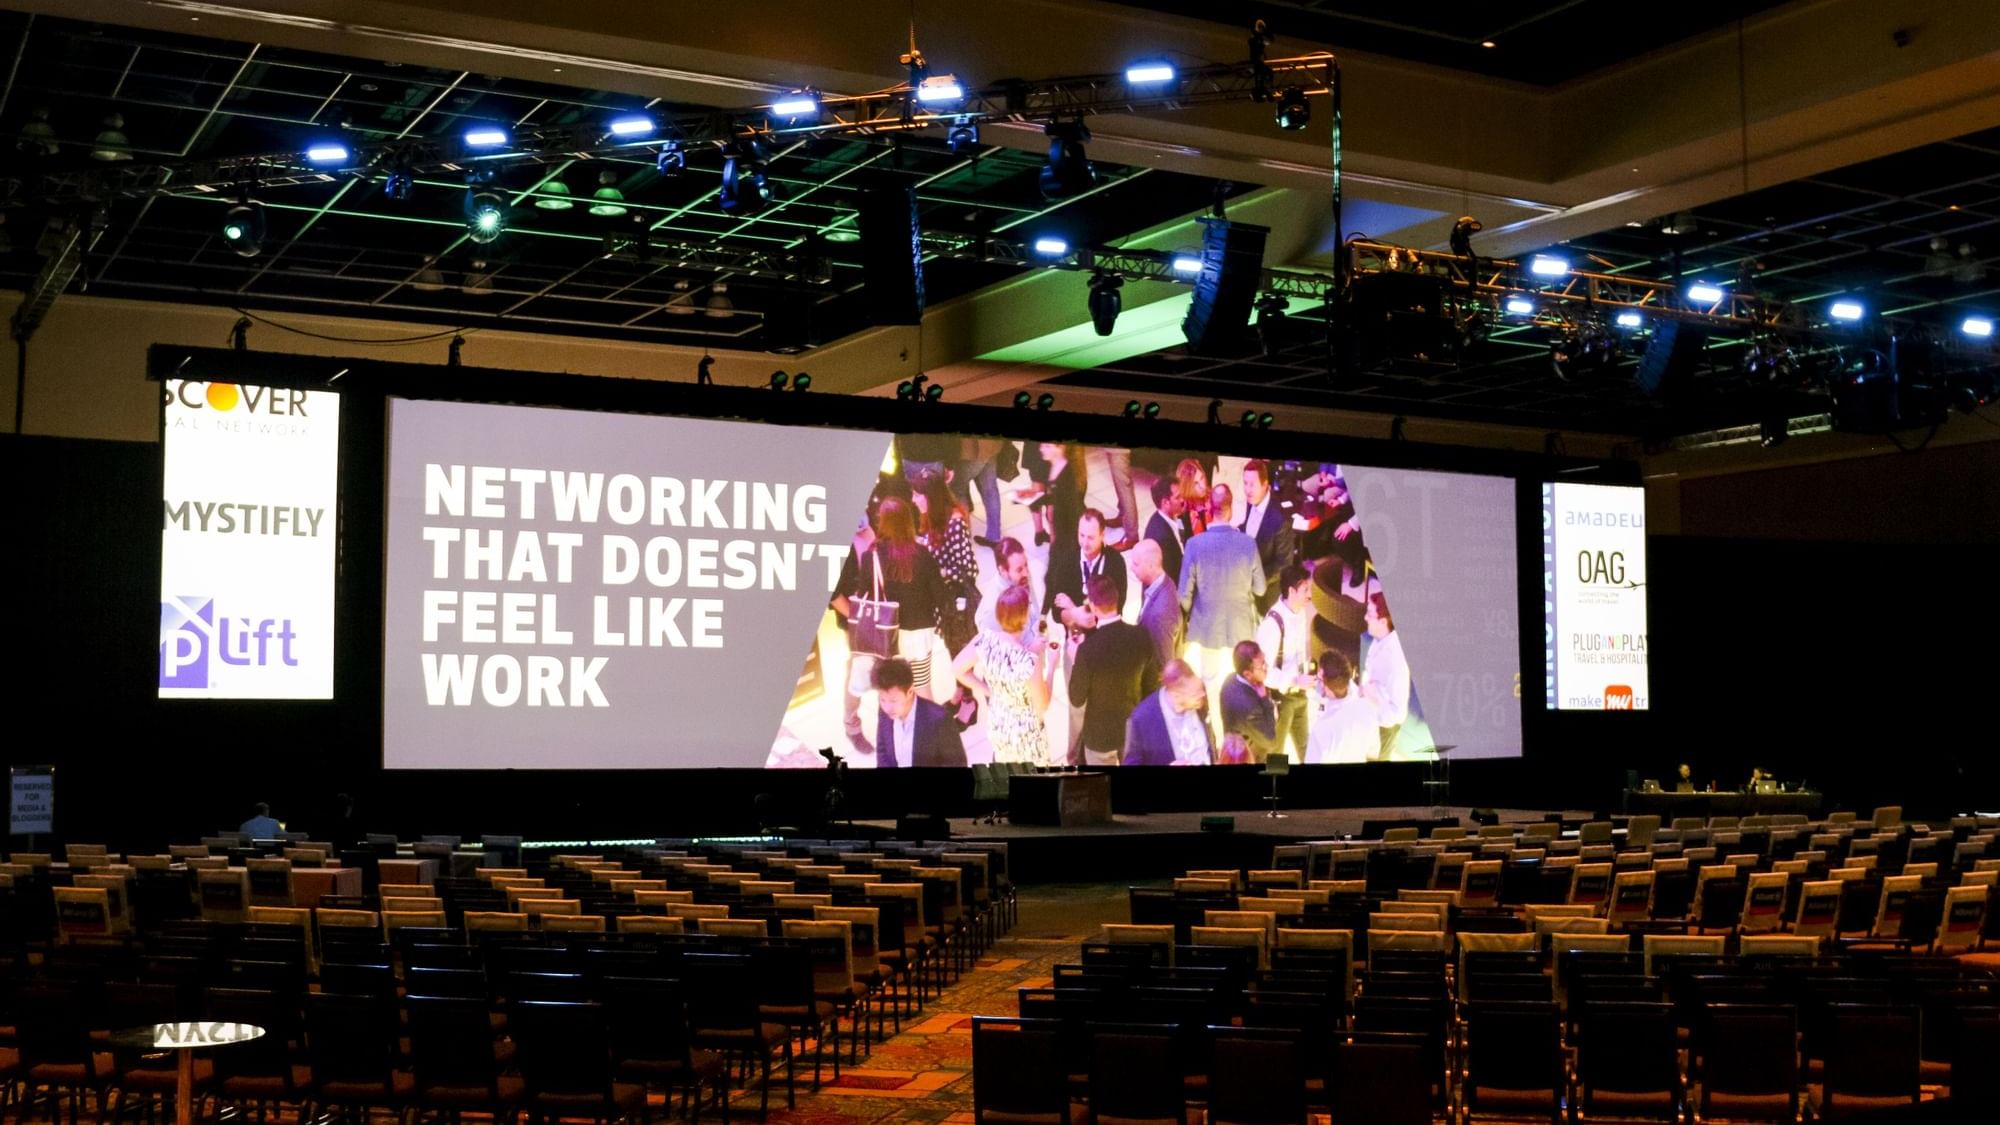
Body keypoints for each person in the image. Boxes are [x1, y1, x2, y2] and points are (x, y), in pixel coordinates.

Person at [1068, 574, 1161, 766]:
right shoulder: (1141, 636)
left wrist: (1075, 658)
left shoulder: (1087, 651)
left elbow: (1077, 698)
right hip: (1133, 729)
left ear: (1093, 606)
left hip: (1100, 738)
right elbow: (1152, 688)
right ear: (1117, 599)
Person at [954, 585, 1052, 767]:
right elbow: (1042, 705)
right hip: (1026, 732)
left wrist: (989, 691)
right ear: (1024, 617)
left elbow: (958, 668)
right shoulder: (1030, 661)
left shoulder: (984, 639)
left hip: (999, 722)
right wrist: (1052, 666)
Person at [1179, 483, 1266, 687]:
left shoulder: (1194, 544)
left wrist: (1194, 611)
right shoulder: (1248, 544)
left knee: (1209, 679)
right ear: (1231, 508)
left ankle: (1215, 716)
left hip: (1207, 625)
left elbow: (1184, 596)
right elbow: (1260, 589)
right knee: (1242, 679)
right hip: (1241, 625)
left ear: (1210, 507)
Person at [912, 470, 979, 656]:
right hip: (942, 597)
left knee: (961, 642)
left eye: (918, 495)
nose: (913, 500)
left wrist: (937, 573)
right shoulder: (930, 517)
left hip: (956, 598)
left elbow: (968, 570)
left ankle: (963, 684)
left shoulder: (955, 523)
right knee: (952, 642)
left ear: (931, 496)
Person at [1255, 563, 1315, 760]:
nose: (1310, 595)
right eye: (1305, 589)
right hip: (1280, 700)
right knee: (1276, 753)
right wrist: (1294, 681)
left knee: (1306, 746)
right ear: (1291, 591)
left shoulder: (1301, 611)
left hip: (1300, 693)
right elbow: (1263, 672)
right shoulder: (1272, 625)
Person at [872, 657, 967, 768]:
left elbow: (956, 764)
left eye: (893, 700)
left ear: (910, 691)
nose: (887, 707)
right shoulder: (884, 711)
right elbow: (882, 750)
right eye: (882, 699)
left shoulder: (939, 719)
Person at [1123, 659, 1215, 766]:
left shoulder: (1198, 698)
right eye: (1194, 694)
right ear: (1176, 695)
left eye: (1201, 690)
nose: (1202, 695)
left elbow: (1209, 736)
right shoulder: (1140, 719)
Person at [1048, 508, 1127, 628]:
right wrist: (1078, 615)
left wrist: (1073, 609)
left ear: (1102, 535)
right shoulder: (1065, 560)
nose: (1085, 543)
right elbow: (1056, 611)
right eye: (1081, 535)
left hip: (1105, 634)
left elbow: (1117, 607)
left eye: (1090, 538)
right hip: (1075, 635)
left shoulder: (1116, 563)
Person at [1239, 460, 1298, 615]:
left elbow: (1284, 563)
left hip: (1267, 594)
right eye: (1245, 483)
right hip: (1247, 586)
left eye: (1252, 484)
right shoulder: (1249, 503)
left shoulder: (1280, 519)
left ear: (1265, 485)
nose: (1247, 490)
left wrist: (1253, 580)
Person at [1359, 592, 1410, 756]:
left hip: (1384, 729)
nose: (1365, 618)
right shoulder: (1379, 638)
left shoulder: (1396, 659)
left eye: (1369, 614)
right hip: (1373, 719)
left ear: (1383, 621)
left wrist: (1375, 698)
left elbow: (1397, 714)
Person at [1306, 652, 1379, 763]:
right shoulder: (1369, 710)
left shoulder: (1320, 729)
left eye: (1319, 677)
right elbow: (1373, 753)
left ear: (1325, 685)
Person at [1219, 640, 1281, 760]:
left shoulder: (1230, 678)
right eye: (1262, 665)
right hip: (1248, 757)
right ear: (1248, 674)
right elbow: (1271, 740)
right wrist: (1265, 700)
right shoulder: (1250, 709)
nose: (1267, 667)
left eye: (1265, 661)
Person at [1129, 539, 1184, 671]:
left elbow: (1164, 664)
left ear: (1151, 565)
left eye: (1136, 564)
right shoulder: (1165, 581)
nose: (1131, 568)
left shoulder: (1160, 616)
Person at [976, 537, 1039, 647]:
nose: (1026, 573)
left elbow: (1034, 608)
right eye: (1019, 570)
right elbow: (1000, 655)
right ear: (1003, 571)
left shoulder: (1022, 578)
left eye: (1026, 565)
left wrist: (1041, 632)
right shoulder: (991, 611)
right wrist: (1031, 651)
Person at [1142, 476, 1187, 582]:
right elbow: (1171, 576)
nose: (1182, 500)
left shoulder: (1177, 515)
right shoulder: (1161, 537)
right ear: (1165, 503)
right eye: (1177, 497)